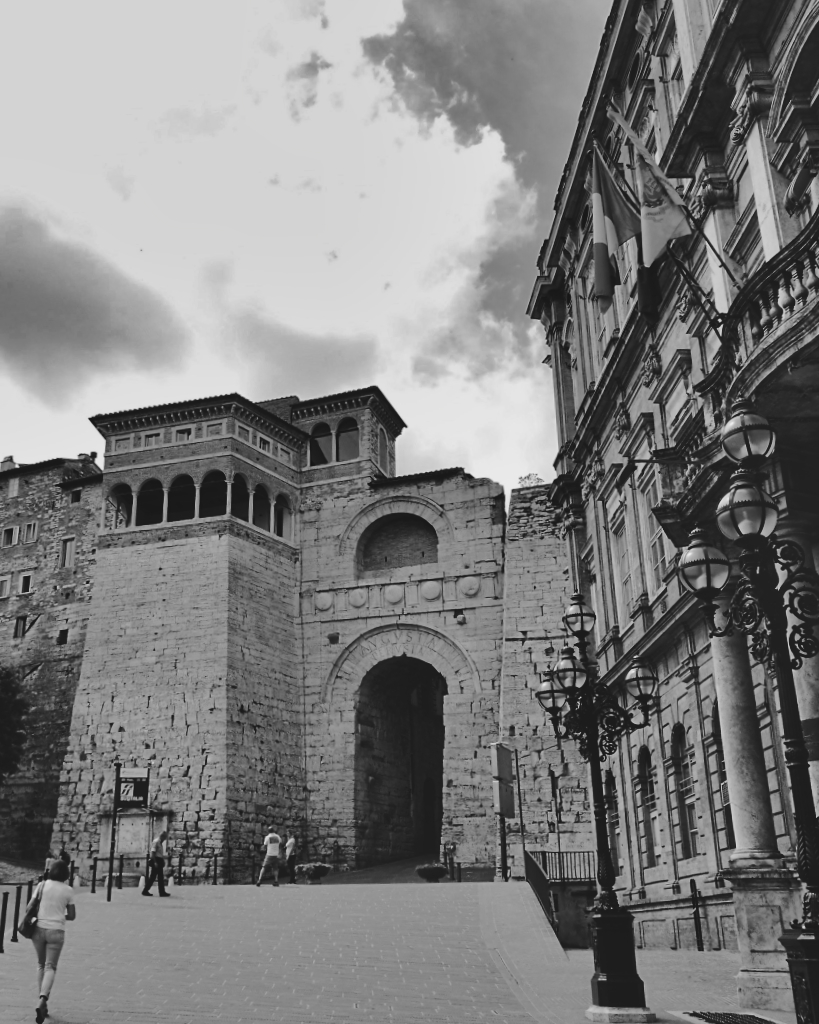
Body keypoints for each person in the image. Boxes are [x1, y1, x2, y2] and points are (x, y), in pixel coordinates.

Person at [27, 857, 75, 1023]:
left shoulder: (42, 885)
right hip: (56, 931)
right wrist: (59, 915)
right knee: (50, 967)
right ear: (66, 874)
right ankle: (43, 999)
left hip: (38, 929)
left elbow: (29, 907)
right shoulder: (68, 890)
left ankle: (42, 1001)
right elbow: (72, 915)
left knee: (41, 965)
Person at [142, 831, 170, 896]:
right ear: (162, 836)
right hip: (156, 860)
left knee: (159, 877)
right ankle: (146, 891)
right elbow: (153, 852)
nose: (165, 839)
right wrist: (155, 862)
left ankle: (161, 892)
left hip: (159, 860)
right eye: (165, 838)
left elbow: (159, 853)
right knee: (153, 877)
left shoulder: (160, 842)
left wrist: (162, 860)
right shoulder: (156, 842)